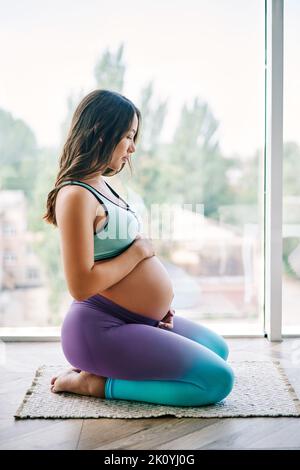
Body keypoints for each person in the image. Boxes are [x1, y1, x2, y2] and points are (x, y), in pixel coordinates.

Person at [43, 89, 234, 407]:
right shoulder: (75, 195)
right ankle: (96, 384)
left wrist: (155, 307)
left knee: (218, 350)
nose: (133, 147)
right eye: (128, 136)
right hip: (98, 327)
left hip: (135, 320)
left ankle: (118, 362)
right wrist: (137, 254)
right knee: (215, 382)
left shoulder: (102, 184)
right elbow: (80, 285)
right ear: (101, 133)